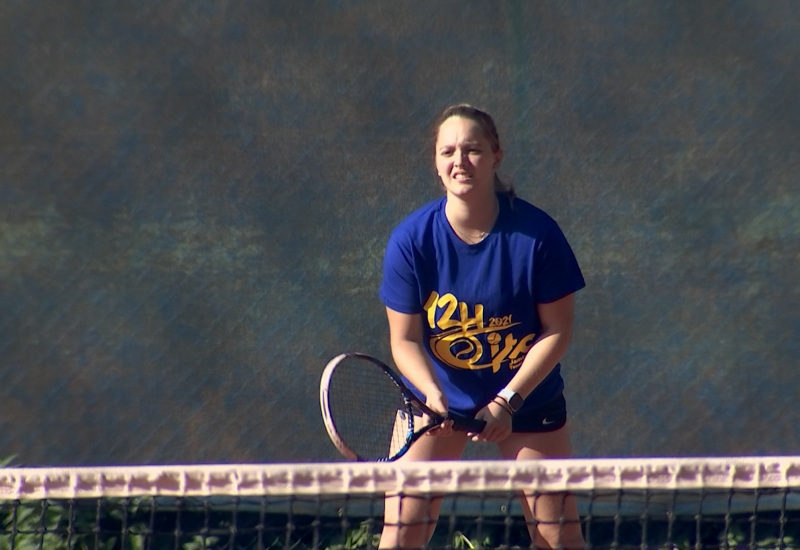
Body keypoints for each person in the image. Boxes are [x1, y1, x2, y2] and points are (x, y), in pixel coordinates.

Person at [377, 104, 586, 549]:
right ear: (436, 162)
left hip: (524, 399)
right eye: (448, 151)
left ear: (496, 156)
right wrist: (433, 397)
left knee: (559, 541)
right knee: (399, 536)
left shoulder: (538, 236)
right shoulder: (410, 241)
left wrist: (507, 401)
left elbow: (558, 331)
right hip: (435, 404)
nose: (460, 161)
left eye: (472, 149)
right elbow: (405, 340)